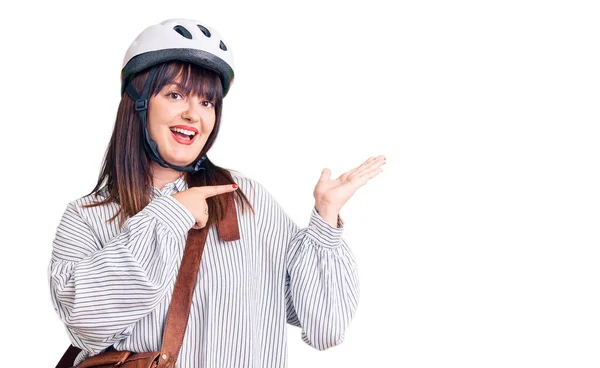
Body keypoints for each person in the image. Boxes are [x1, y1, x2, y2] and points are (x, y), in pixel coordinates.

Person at [48, 18, 386, 368]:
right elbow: (87, 326)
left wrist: (326, 220)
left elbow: (325, 328)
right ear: (139, 103)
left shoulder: (245, 199)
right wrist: (170, 215)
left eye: (207, 102)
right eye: (175, 94)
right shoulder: (87, 216)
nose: (193, 114)